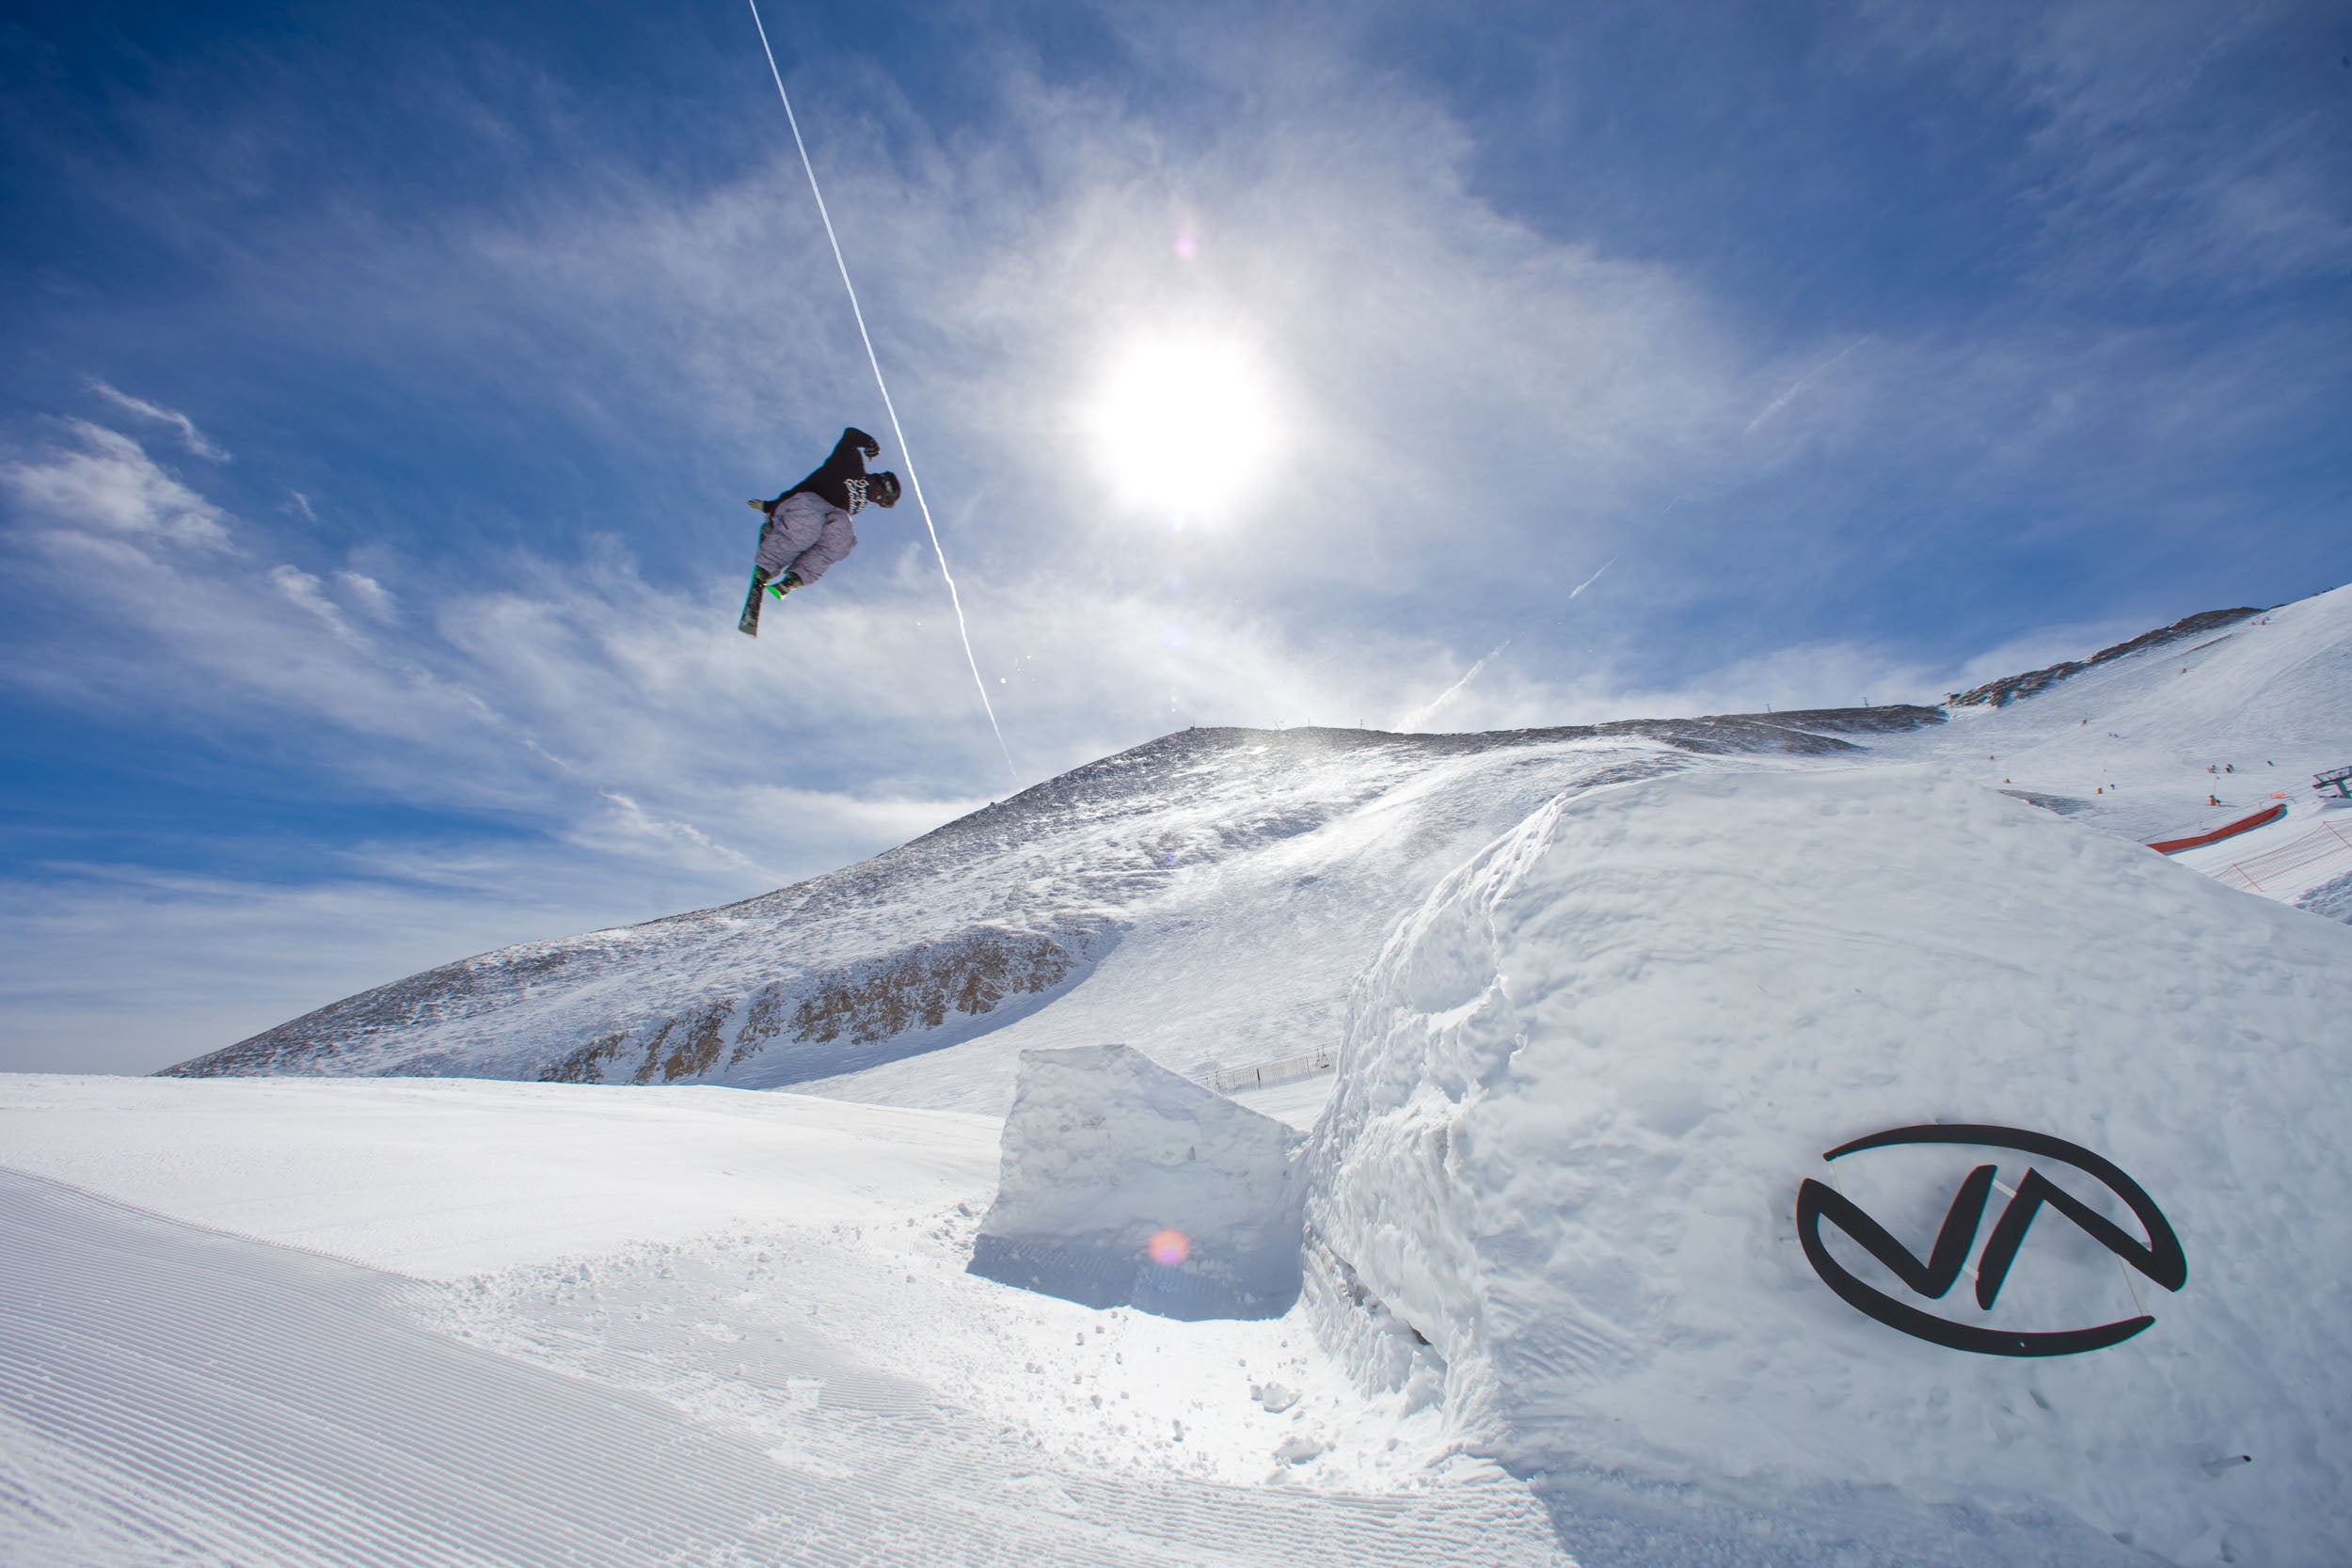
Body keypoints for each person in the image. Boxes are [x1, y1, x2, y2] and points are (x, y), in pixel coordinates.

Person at [748, 427, 901, 599]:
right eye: (881, 497)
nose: (875, 500)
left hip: (818, 517)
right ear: (881, 483)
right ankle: (768, 565)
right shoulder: (853, 466)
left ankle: (794, 579)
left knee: (843, 538)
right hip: (799, 507)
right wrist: (868, 442)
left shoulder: (860, 504)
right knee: (811, 521)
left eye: (880, 502)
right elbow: (849, 437)